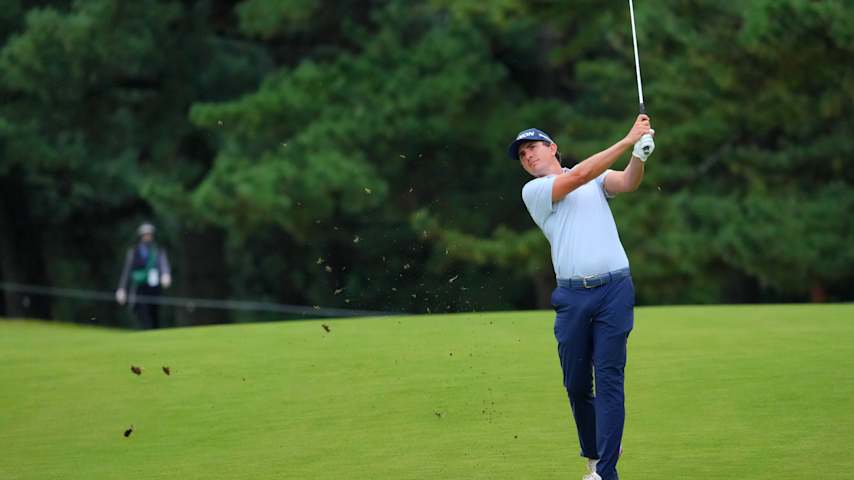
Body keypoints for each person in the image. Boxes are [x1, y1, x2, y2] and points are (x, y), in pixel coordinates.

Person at [510, 115, 655, 480]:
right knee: (576, 385)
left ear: (553, 148)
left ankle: (605, 472)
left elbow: (627, 182)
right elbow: (576, 177)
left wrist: (639, 156)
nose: (528, 156)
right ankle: (594, 454)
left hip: (614, 290)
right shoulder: (535, 191)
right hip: (572, 298)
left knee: (609, 379)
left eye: (533, 148)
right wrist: (627, 140)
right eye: (522, 154)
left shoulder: (595, 178)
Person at [116, 222, 172, 329]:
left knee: (154, 315)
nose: (147, 237)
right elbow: (127, 271)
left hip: (154, 288)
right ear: (141, 236)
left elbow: (163, 264)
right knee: (142, 314)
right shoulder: (134, 251)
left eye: (149, 234)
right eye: (145, 235)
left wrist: (166, 274)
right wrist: (122, 288)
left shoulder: (158, 250)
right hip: (139, 288)